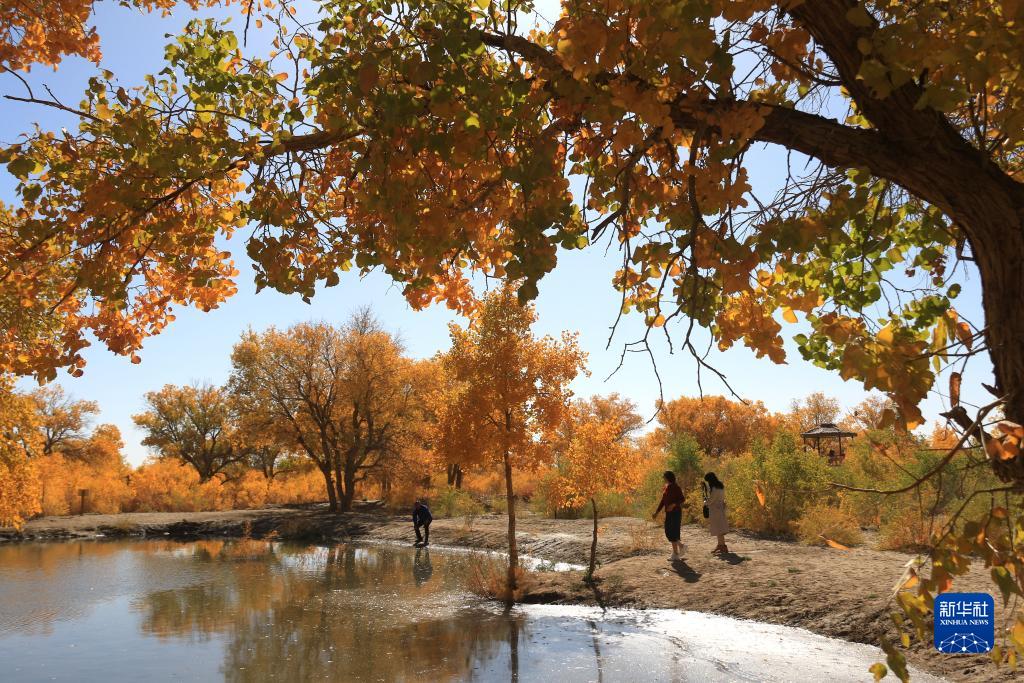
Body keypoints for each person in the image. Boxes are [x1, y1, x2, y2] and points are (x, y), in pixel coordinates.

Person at [652, 470, 685, 560]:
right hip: (669, 513)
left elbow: (682, 499)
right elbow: (663, 501)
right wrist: (656, 512)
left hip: (676, 512)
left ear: (668, 477)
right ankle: (680, 547)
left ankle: (676, 554)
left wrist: (673, 505)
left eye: (664, 477)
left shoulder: (676, 487)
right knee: (669, 532)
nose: (663, 478)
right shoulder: (667, 487)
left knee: (672, 532)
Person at [703, 472, 729, 555]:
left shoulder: (714, 488)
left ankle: (723, 546)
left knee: (718, 529)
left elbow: (711, 500)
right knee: (719, 528)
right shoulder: (720, 485)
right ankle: (720, 545)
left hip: (715, 509)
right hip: (720, 508)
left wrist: (705, 502)